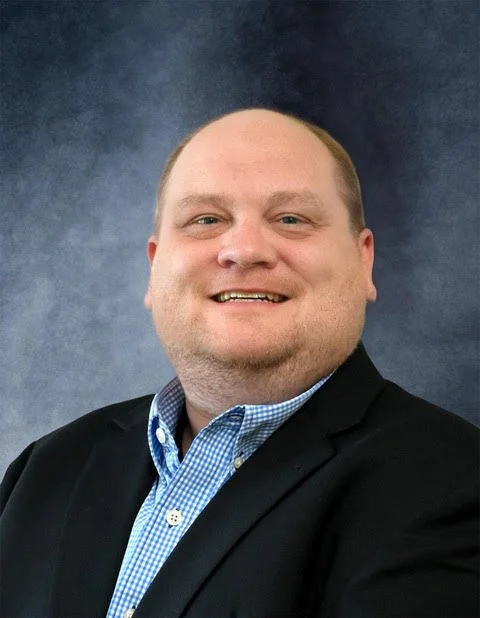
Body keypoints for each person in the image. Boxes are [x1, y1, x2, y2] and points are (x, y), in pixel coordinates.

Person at [1, 108, 478, 618]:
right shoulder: (47, 469)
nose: (244, 250)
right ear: (154, 266)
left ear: (364, 261)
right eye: (206, 220)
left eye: (291, 219)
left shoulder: (453, 484)